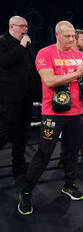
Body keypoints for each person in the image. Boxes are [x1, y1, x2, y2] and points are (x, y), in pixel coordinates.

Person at [18, 21, 83, 215]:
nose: (71, 39)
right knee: (43, 154)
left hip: (76, 111)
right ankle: (26, 191)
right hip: (53, 113)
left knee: (71, 152)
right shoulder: (46, 53)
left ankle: (69, 185)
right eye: (67, 36)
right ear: (57, 35)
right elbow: (50, 80)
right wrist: (75, 73)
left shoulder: (79, 55)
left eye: (73, 36)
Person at [0, 16, 40, 174]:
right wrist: (21, 47)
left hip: (26, 95)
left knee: (22, 133)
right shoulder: (2, 41)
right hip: (8, 97)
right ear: (11, 26)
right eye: (22, 26)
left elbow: (34, 64)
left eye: (27, 27)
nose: (26, 29)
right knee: (4, 132)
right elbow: (4, 61)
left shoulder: (28, 44)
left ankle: (19, 163)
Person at [58, 29, 83, 167]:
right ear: (74, 40)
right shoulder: (63, 55)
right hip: (69, 98)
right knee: (67, 130)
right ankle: (64, 158)